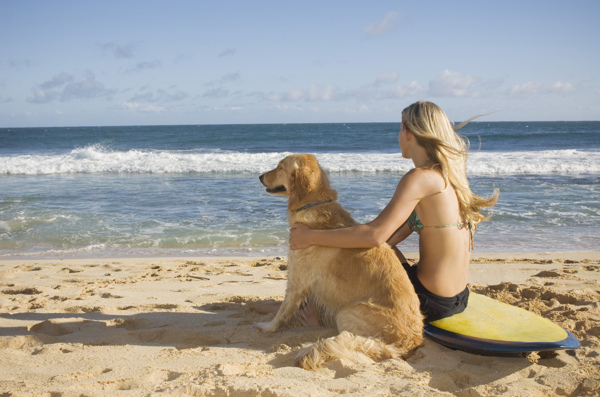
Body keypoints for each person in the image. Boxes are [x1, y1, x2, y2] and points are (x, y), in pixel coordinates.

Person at [289, 101, 499, 323]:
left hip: (428, 301)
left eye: (400, 128)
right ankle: (311, 306)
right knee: (371, 250)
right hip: (458, 298)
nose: (399, 134)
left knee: (364, 249)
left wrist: (310, 237)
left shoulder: (419, 178)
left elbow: (374, 235)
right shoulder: (450, 178)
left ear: (409, 132)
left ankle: (311, 312)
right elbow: (387, 240)